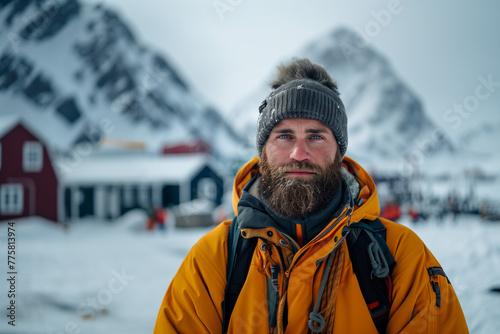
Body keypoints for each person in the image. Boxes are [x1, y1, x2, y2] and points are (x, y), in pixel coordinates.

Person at [153, 58, 468, 333]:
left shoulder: (402, 258)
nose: (298, 153)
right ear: (262, 151)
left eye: (316, 136)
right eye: (284, 136)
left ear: (339, 152)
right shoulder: (214, 261)